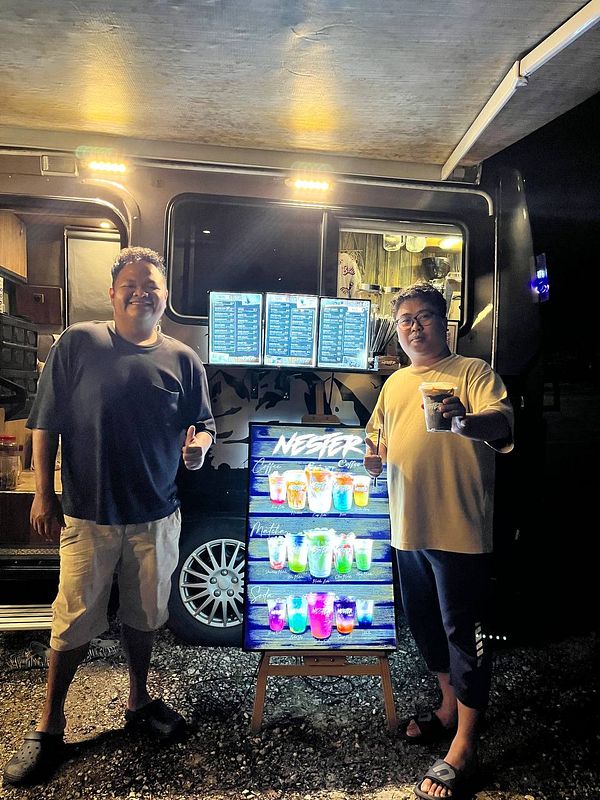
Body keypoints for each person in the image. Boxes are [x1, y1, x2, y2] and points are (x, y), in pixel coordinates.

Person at [4, 247, 216, 787]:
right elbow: (44, 420)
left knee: (146, 617)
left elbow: (204, 423)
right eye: (132, 283)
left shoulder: (183, 359)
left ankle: (139, 701)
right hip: (90, 513)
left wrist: (199, 448)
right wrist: (42, 494)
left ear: (165, 297)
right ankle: (49, 726)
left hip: (157, 513)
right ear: (114, 291)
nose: (142, 292)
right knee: (73, 621)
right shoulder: (80, 342)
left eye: (153, 285)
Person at [364, 283, 513, 800]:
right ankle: (448, 709)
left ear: (443, 324)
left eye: (423, 317)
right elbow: (376, 437)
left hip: (459, 531)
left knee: (464, 634)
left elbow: (503, 423)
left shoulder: (471, 373)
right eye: (404, 319)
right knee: (426, 627)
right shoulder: (395, 384)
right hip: (409, 528)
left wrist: (464, 420)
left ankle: (466, 745)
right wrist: (372, 455)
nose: (413, 326)